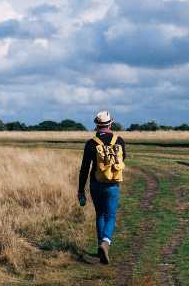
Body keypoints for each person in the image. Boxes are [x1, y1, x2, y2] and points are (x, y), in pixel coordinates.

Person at [78, 110, 127, 265]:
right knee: (111, 216)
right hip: (113, 183)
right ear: (110, 124)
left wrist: (81, 190)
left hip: (96, 183)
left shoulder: (91, 143)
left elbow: (84, 168)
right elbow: (122, 159)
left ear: (97, 125)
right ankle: (105, 242)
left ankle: (101, 246)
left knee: (100, 214)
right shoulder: (119, 140)